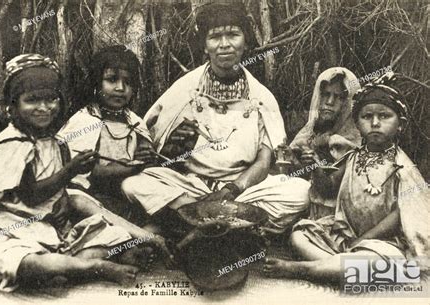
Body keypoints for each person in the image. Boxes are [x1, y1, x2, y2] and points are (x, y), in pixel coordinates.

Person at [0, 54, 169, 292]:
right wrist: (71, 171)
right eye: (32, 101)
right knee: (28, 263)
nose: (43, 108)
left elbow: (61, 191)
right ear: (12, 105)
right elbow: (31, 196)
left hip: (48, 227)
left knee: (110, 236)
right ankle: (92, 267)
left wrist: (64, 202)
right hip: (10, 227)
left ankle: (81, 264)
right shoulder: (14, 145)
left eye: (51, 100)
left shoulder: (56, 143)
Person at [121, 3, 310, 235]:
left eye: (233, 34)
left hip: (241, 189)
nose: (224, 45)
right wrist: (175, 147)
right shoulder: (185, 90)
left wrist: (232, 189)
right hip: (191, 187)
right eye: (215, 37)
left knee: (300, 191)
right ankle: (229, 228)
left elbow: (264, 160)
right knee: (134, 184)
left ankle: (188, 225)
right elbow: (152, 143)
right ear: (204, 46)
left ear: (246, 41)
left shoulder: (261, 97)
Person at [263, 73, 429, 282]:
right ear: (357, 123)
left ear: (400, 124)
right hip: (346, 236)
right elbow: (328, 189)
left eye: (384, 116)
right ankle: (338, 268)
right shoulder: (353, 157)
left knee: (390, 262)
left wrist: (363, 240)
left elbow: (399, 215)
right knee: (299, 236)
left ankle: (307, 269)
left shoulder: (402, 167)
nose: (375, 123)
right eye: (367, 117)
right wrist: (315, 165)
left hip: (382, 243)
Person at [58, 46, 155, 216]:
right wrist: (128, 168)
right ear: (97, 83)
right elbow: (83, 172)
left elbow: (148, 159)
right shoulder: (85, 121)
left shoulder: (136, 122)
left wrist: (146, 154)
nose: (120, 88)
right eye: (112, 80)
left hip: (128, 193)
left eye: (128, 82)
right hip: (92, 195)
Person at [289, 67, 362, 218]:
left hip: (334, 213)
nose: (329, 102)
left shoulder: (352, 143)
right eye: (325, 95)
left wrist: (314, 165)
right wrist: (292, 158)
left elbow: (330, 189)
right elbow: (296, 172)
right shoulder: (310, 131)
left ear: (349, 103)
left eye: (338, 97)